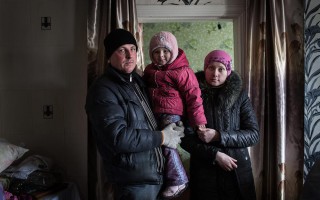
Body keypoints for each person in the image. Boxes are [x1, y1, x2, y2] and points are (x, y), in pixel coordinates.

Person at [85, 28, 185, 200]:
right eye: (121, 50)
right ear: (110, 56)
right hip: (134, 183)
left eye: (132, 49)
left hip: (156, 177)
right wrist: (162, 137)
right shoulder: (103, 90)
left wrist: (174, 127)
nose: (130, 55)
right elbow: (118, 138)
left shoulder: (138, 80)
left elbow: (153, 117)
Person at [181, 50, 260, 200]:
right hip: (204, 174)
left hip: (237, 172)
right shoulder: (192, 96)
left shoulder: (240, 96)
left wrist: (219, 136)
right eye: (211, 68)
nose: (215, 73)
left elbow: (253, 134)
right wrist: (215, 155)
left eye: (221, 69)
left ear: (228, 71)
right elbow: (185, 138)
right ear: (205, 69)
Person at [143, 31, 207, 199]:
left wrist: (198, 122)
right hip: (154, 113)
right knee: (155, 144)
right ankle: (165, 177)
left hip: (172, 113)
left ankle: (179, 180)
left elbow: (194, 97)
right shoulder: (149, 70)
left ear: (173, 51)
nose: (161, 56)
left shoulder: (183, 71)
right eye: (156, 52)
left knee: (167, 144)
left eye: (165, 51)